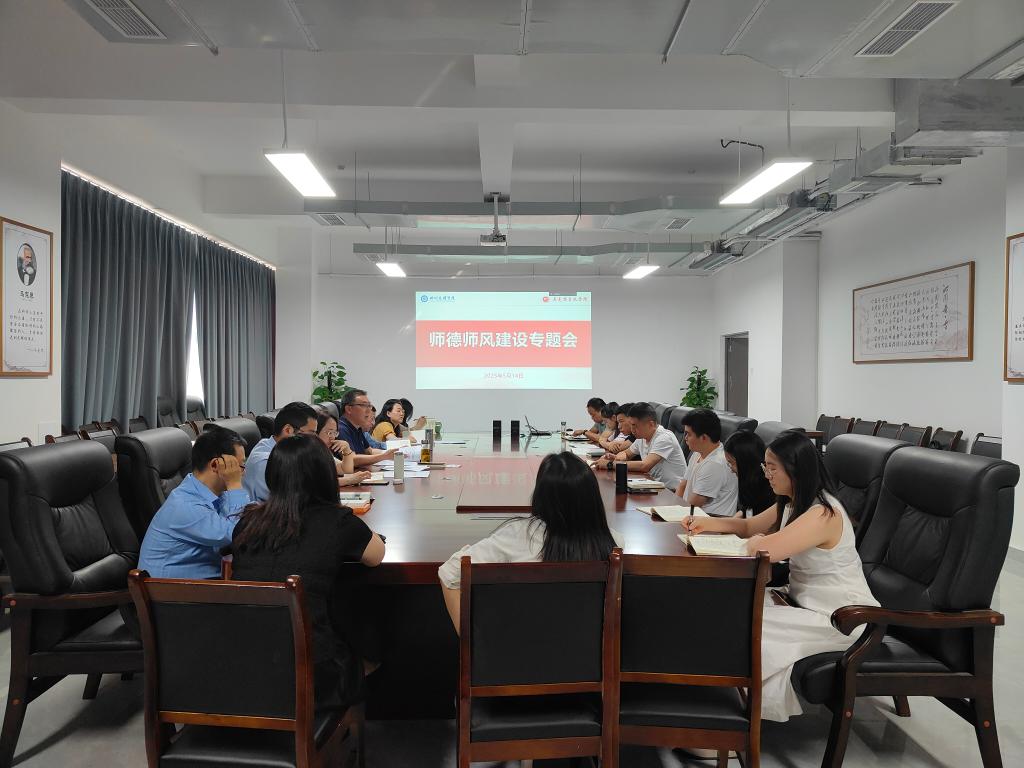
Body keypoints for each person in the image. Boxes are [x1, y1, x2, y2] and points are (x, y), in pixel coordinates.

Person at [681, 430, 879, 722]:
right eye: (766, 467)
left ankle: (730, 717)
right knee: (726, 613)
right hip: (803, 603)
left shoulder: (823, 513)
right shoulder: (792, 502)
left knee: (740, 627)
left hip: (841, 617)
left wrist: (759, 541)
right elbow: (749, 529)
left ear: (795, 469)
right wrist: (705, 523)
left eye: (772, 468)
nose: (767, 475)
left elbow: (765, 550)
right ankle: (725, 709)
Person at [231, 433, 386, 710]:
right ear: (325, 476)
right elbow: (376, 556)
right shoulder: (337, 521)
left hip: (244, 667)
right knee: (369, 642)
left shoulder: (248, 522)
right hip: (310, 676)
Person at [439, 451, 623, 633]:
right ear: (593, 497)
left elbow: (449, 573)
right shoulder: (614, 542)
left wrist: (472, 642)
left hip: (517, 648)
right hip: (587, 651)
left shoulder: (518, 536)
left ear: (541, 495)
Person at [138, 427, 249, 579]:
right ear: (216, 465)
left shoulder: (216, 495)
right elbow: (239, 534)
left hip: (202, 585)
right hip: (170, 591)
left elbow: (249, 519)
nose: (243, 473)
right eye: (239, 467)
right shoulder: (185, 505)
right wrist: (235, 484)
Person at [602, 402, 687, 490]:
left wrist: (610, 464)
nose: (632, 429)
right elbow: (626, 453)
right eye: (631, 425)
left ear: (651, 424)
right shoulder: (641, 437)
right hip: (653, 485)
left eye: (635, 425)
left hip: (671, 491)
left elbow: (645, 466)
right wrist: (616, 458)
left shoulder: (664, 438)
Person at [244, 401, 318, 501]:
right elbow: (290, 500)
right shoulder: (266, 462)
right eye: (311, 434)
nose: (314, 439)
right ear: (288, 430)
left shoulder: (271, 444)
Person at [674, 408, 738, 518]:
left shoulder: (715, 463)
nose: (685, 438)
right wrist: (671, 509)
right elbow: (682, 486)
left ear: (703, 437)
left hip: (712, 521)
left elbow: (694, 504)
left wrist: (672, 515)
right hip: (693, 515)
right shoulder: (698, 453)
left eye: (688, 434)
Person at [337, 389, 397, 468]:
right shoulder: (341, 429)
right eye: (364, 405)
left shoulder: (357, 428)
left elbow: (369, 451)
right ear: (349, 409)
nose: (369, 410)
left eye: (369, 406)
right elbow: (351, 460)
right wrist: (383, 456)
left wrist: (391, 453)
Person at [723, 430, 775, 516]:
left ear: (745, 463)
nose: (731, 469)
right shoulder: (749, 480)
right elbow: (745, 510)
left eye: (732, 463)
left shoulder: (769, 489)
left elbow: (755, 521)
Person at [316, 411, 372, 486]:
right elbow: (318, 483)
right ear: (315, 432)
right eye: (329, 433)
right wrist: (349, 480)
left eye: (335, 433)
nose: (333, 437)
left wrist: (347, 449)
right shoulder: (308, 453)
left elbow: (345, 470)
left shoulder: (324, 452)